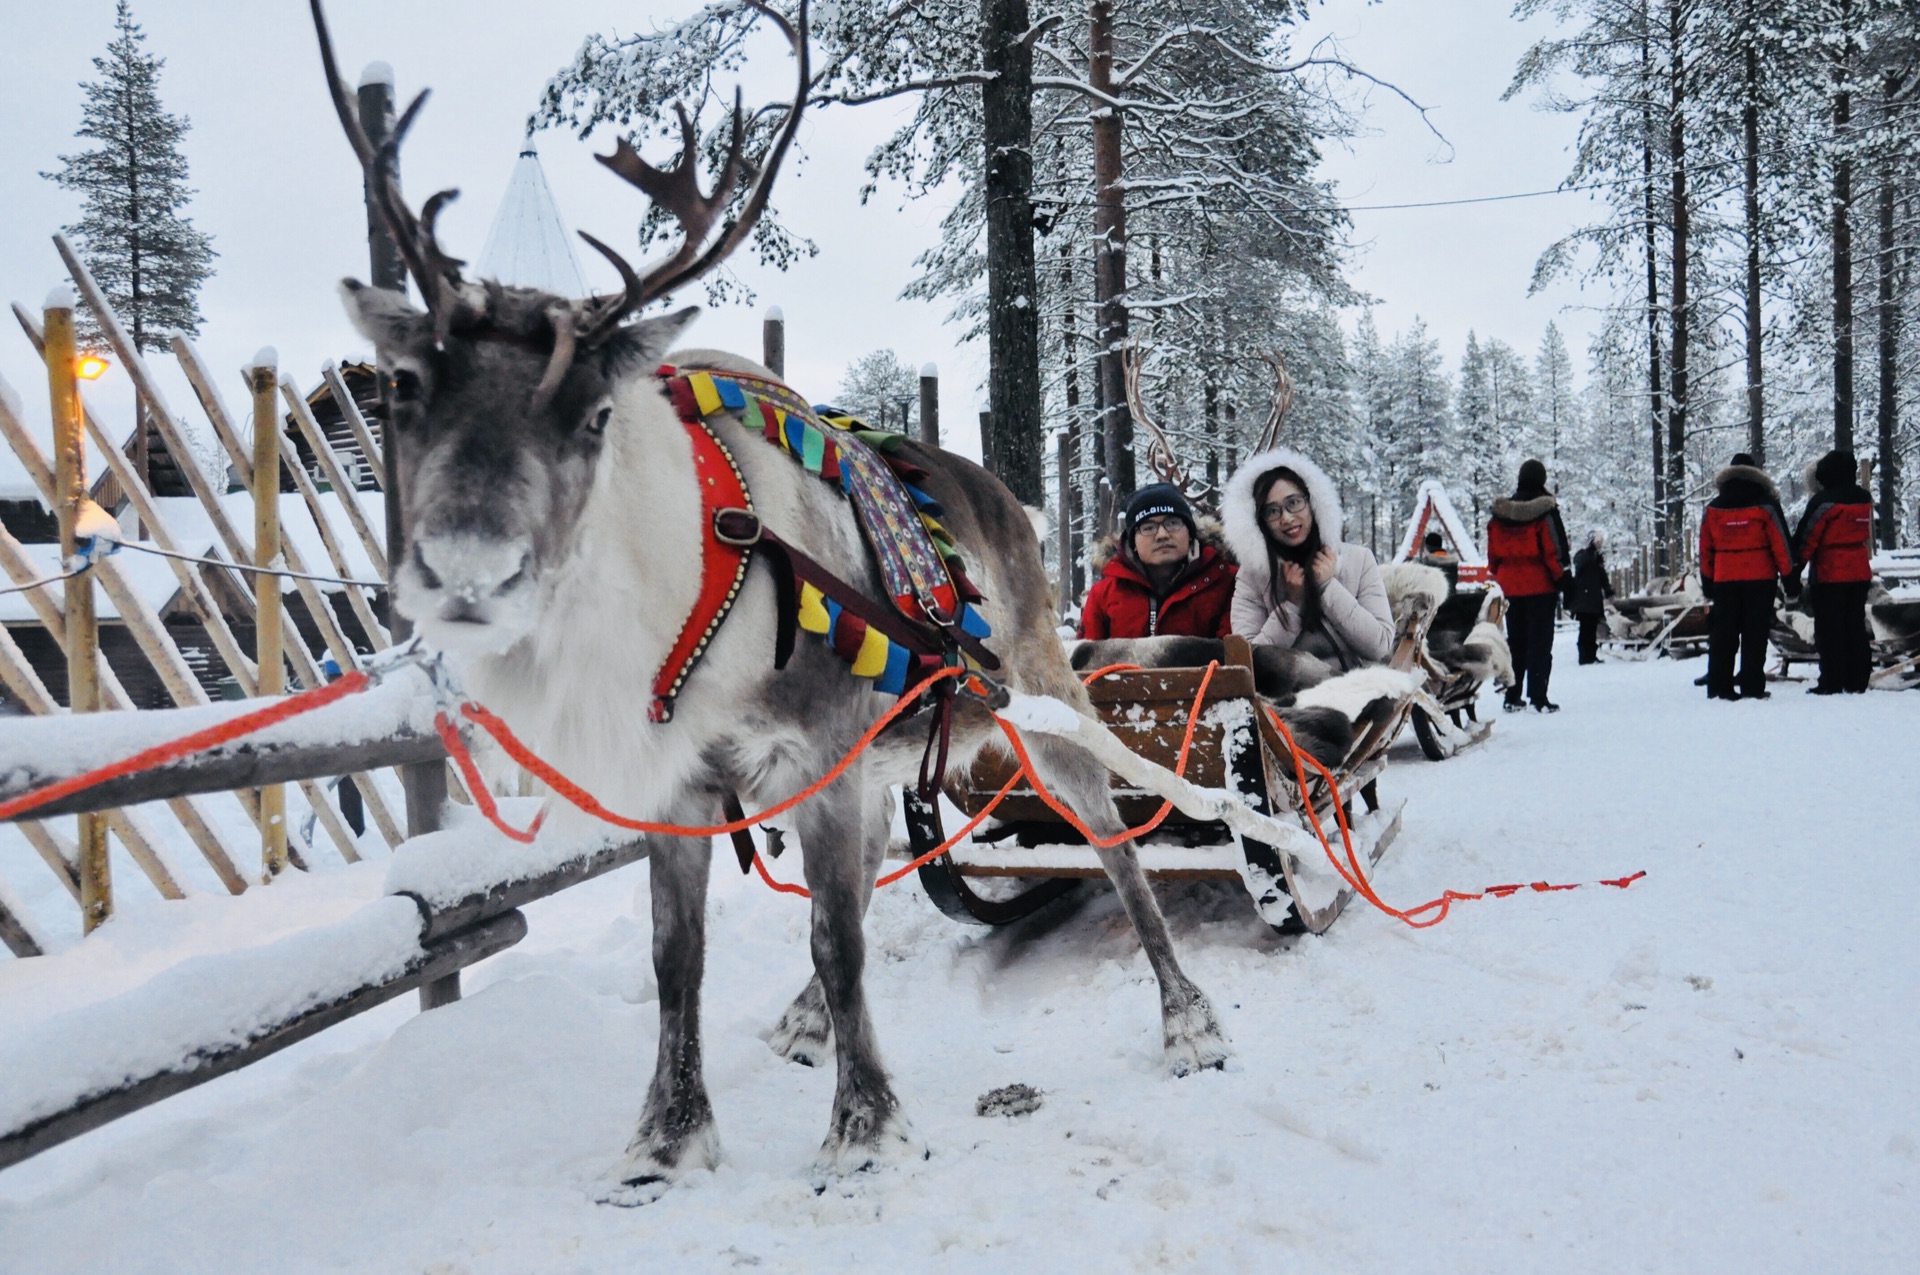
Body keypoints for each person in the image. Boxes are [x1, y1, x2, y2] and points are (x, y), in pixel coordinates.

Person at [1222, 447, 1393, 669]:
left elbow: (1380, 646)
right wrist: (1292, 605)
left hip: (1354, 693)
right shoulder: (1252, 577)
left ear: (1313, 502)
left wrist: (1327, 586)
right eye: (1272, 511)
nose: (1287, 518)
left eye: (1293, 502)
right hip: (1286, 698)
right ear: (1259, 521)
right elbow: (1249, 662)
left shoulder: (1358, 561)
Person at [1077, 482, 1236, 639]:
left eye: (1172, 523)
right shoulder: (1102, 595)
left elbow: (1234, 654)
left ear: (1190, 533)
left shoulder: (1228, 582)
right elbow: (1084, 659)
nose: (1162, 535)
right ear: (1133, 542)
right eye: (1148, 527)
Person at [1698, 452, 1791, 700]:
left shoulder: (1713, 508)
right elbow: (1781, 546)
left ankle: (1719, 686)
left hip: (1724, 578)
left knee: (1723, 634)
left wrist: (1708, 583)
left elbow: (1705, 550)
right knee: (1755, 634)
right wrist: (1789, 578)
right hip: (1760, 578)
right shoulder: (1767, 505)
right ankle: (1752, 686)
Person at [1487, 458, 1572, 712]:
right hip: (1541, 588)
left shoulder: (1500, 515)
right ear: (1541, 480)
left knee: (1516, 643)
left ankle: (1512, 697)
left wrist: (1502, 575)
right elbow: (1554, 552)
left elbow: (1493, 557)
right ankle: (1538, 697)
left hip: (1510, 589)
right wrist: (1564, 580)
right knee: (1540, 643)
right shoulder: (1545, 512)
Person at [1790, 450, 1875, 694]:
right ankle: (1858, 679)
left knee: (1829, 629)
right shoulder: (1863, 498)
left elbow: (1808, 538)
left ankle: (1831, 680)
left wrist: (1795, 569)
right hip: (1859, 570)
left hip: (1829, 572)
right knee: (1855, 626)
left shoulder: (1823, 502)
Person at [1569, 529, 1614, 665]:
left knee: (1591, 628)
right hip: (1585, 600)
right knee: (1585, 629)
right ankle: (1584, 656)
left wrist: (1608, 590)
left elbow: (1602, 577)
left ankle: (1590, 655)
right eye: (1597, 541)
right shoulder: (1583, 556)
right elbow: (1579, 564)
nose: (1599, 544)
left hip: (1593, 600)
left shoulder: (1596, 559)